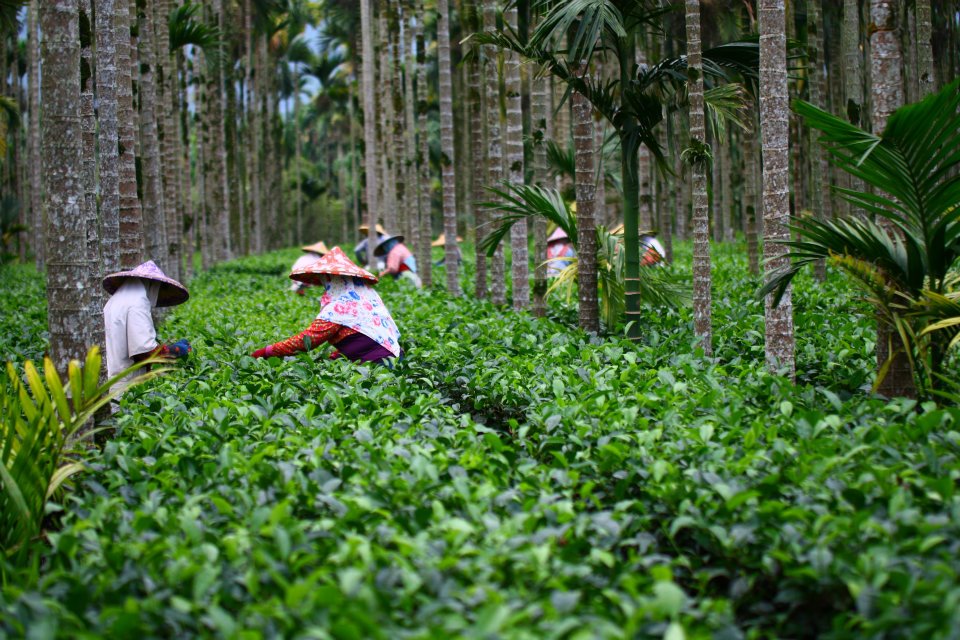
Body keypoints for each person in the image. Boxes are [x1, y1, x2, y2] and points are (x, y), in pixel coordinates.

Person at [251, 247, 402, 365]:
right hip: (393, 358)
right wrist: (340, 355)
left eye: (327, 280)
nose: (325, 284)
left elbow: (306, 340)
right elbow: (365, 334)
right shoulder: (367, 296)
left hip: (380, 366)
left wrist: (267, 351)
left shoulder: (340, 306)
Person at [102, 260, 191, 392]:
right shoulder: (137, 303)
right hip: (123, 382)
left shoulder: (117, 300)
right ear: (153, 284)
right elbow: (145, 352)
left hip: (112, 376)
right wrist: (175, 351)